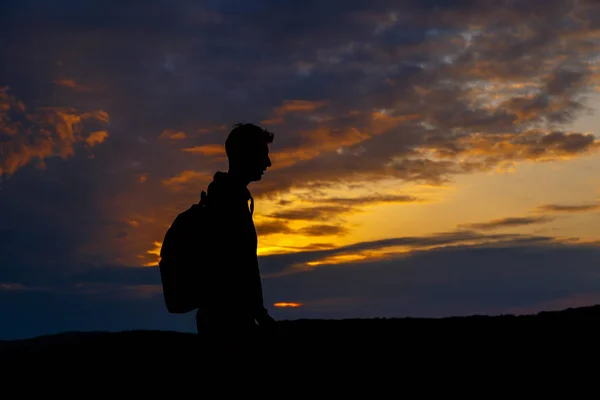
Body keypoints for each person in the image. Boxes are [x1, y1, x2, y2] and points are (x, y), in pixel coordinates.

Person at [196, 122, 277, 363]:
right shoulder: (228, 203)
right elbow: (240, 266)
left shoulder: (223, 197)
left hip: (221, 319)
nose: (268, 163)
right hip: (228, 324)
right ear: (247, 155)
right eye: (263, 154)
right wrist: (259, 313)